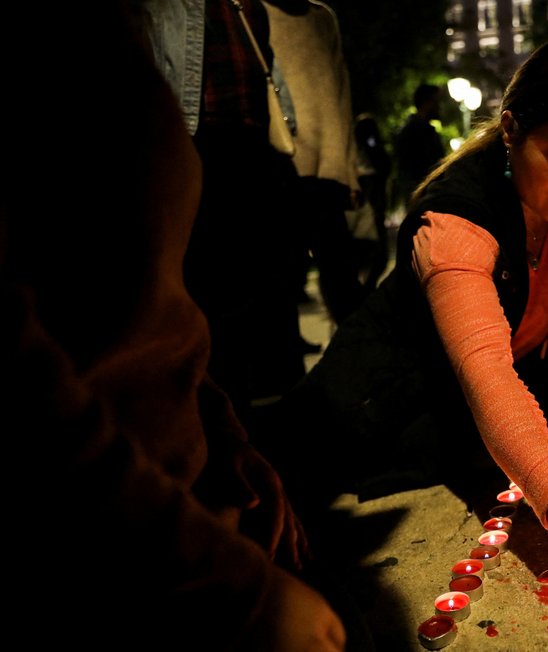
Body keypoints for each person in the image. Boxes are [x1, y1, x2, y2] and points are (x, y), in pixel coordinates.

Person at [264, 41, 548, 630]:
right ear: (511, 130)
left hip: (460, 429)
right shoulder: (454, 226)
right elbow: (486, 370)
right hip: (372, 416)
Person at [4, 2, 345, 649]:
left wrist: (224, 438)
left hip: (192, 511)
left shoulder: (118, 39)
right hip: (115, 566)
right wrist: (228, 584)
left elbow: (149, 303)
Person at [146, 0, 309, 415]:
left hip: (249, 145)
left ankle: (231, 419)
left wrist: (285, 124)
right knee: (201, 292)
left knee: (242, 297)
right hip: (195, 139)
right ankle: (204, 420)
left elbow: (267, 59)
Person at [265, 0, 369, 327]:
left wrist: (349, 171)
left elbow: (341, 92)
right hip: (285, 162)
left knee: (341, 276)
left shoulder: (322, 17)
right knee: (285, 276)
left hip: (329, 168)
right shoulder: (257, 11)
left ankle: (353, 359)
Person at [355, 113, 395, 288]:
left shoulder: (362, 152)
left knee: (377, 257)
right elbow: (384, 164)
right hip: (370, 210)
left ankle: (365, 290)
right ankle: (364, 291)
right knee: (377, 255)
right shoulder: (364, 154)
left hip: (371, 210)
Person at [394, 83, 447, 207]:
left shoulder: (419, 129)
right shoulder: (415, 131)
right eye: (436, 102)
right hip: (422, 193)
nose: (439, 106)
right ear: (427, 103)